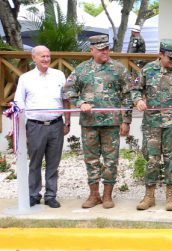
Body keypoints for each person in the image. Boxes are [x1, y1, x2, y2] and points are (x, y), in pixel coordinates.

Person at [64, 34, 132, 209]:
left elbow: (128, 96)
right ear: (91, 50)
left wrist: (126, 121)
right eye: (101, 49)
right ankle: (94, 195)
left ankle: (107, 195)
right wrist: (80, 103)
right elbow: (68, 91)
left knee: (111, 159)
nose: (105, 52)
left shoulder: (119, 69)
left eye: (107, 48)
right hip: (89, 123)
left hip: (111, 123)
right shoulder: (81, 70)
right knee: (91, 159)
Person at [132, 39, 172, 211]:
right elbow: (135, 89)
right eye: (170, 58)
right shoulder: (147, 70)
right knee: (152, 159)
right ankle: (149, 196)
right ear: (160, 55)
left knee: (171, 159)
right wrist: (138, 100)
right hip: (152, 122)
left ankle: (170, 196)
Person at [13, 45, 70, 208]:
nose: (46, 59)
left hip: (56, 125)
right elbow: (19, 102)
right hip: (35, 126)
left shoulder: (59, 75)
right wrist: (20, 125)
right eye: (42, 56)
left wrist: (67, 121)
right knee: (35, 162)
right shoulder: (25, 78)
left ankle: (51, 195)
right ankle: (33, 194)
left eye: (48, 56)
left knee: (53, 162)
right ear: (34, 58)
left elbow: (66, 99)